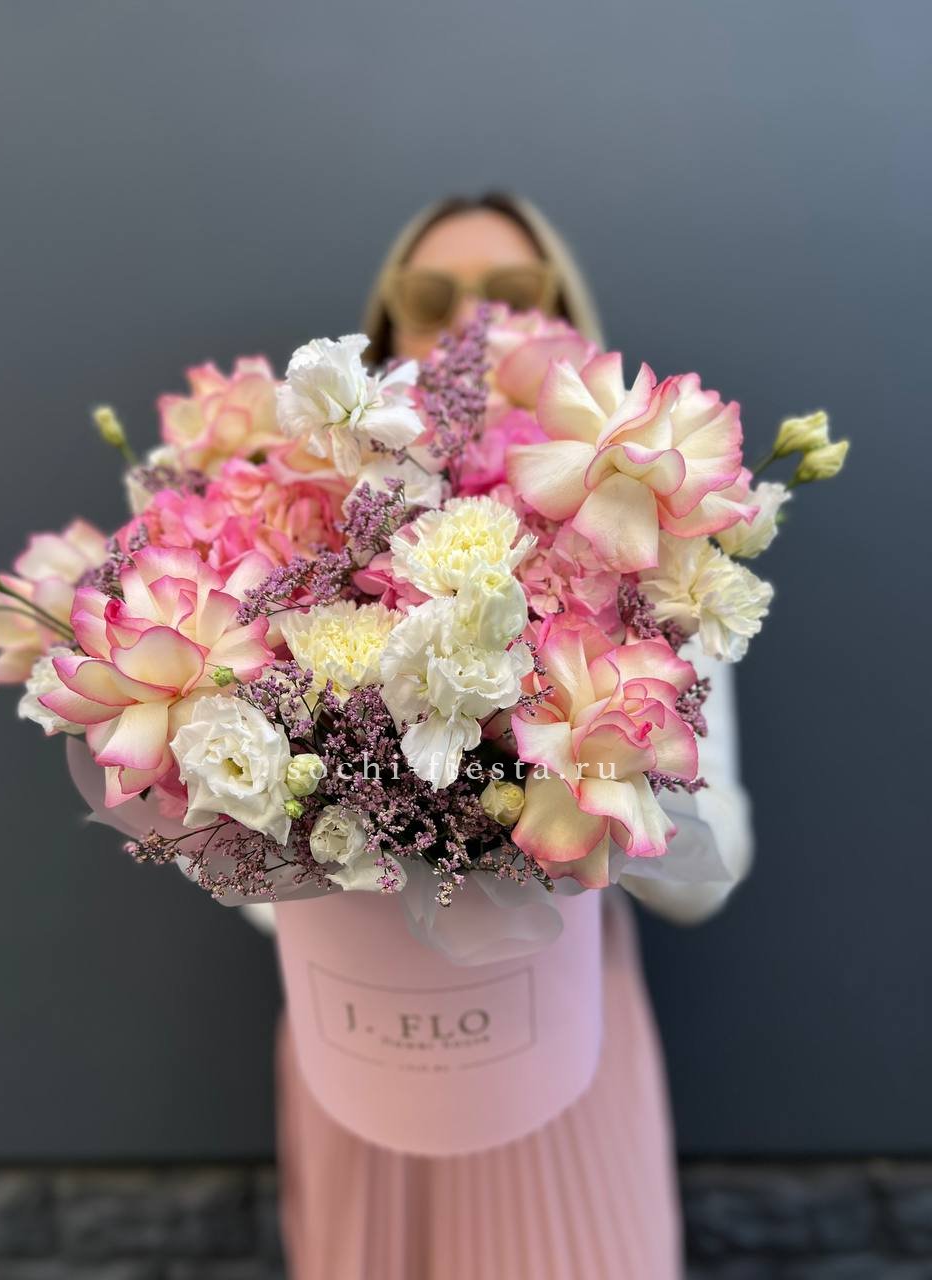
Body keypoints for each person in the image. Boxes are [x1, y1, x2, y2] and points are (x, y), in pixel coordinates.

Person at [269, 193, 754, 1280]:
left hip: (560, 1050)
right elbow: (256, 895)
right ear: (385, 335)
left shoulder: (661, 560)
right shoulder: (296, 535)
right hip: (362, 1046)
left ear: (567, 322)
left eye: (515, 296)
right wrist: (345, 820)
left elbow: (707, 878)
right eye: (432, 298)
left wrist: (583, 776)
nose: (475, 324)